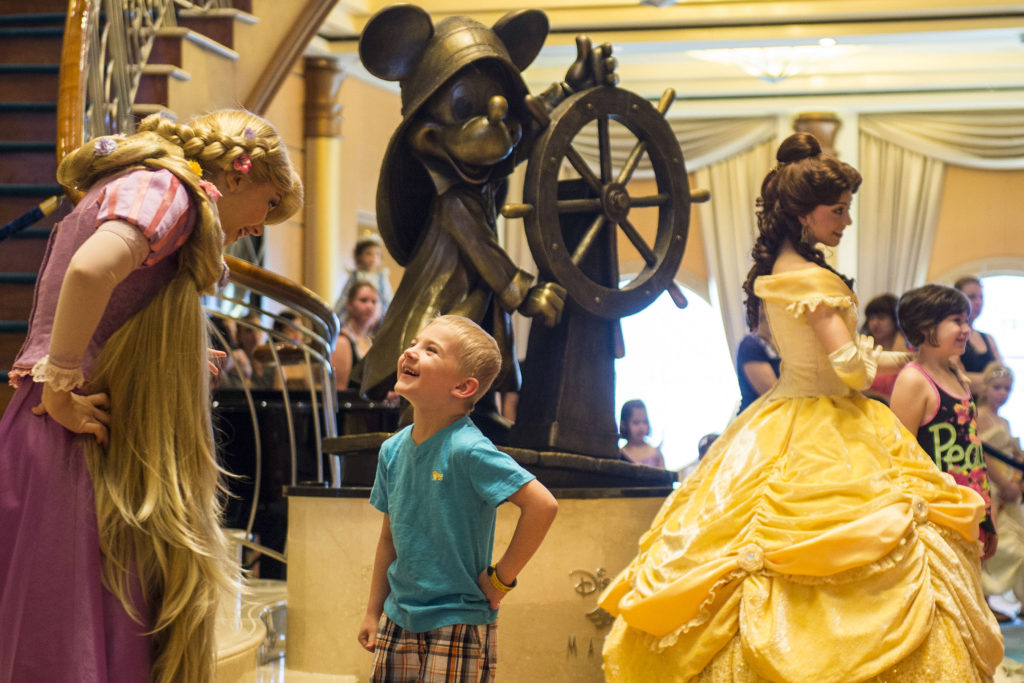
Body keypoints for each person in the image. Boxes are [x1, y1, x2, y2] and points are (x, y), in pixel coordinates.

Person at [598, 133, 1002, 682]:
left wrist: (894, 353)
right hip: (828, 421)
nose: (846, 222)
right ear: (803, 214)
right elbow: (850, 371)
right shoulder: (812, 280)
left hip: (782, 414)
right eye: (839, 211)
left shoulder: (781, 273)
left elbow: (833, 356)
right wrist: (895, 361)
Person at [0, 109, 303, 683]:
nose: (261, 226)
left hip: (74, 435)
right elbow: (90, 272)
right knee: (68, 641)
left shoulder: (150, 189)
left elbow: (111, 302)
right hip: (76, 436)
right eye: (267, 205)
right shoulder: (171, 191)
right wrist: (62, 384)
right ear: (236, 176)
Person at [357, 315, 558, 681]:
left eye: (430, 349)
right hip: (399, 616)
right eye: (415, 343)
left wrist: (501, 579)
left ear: (464, 387)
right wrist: (373, 611)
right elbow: (389, 538)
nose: (411, 351)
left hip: (459, 619)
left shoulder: (469, 449)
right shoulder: (392, 451)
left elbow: (542, 505)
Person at [890, 284, 999, 559]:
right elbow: (899, 458)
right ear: (926, 327)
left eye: (966, 321)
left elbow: (973, 451)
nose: (967, 329)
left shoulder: (956, 375)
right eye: (956, 321)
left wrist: (989, 512)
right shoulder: (913, 379)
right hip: (939, 517)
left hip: (972, 508)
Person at [975, 363, 1024, 620]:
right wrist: (1004, 484)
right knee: (998, 545)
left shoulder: (1004, 421)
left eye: (1007, 389)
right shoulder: (978, 416)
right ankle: (986, 600)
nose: (1002, 393)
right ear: (985, 388)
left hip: (1008, 485)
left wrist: (1015, 480)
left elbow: (1014, 455)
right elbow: (983, 454)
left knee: (1020, 542)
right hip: (991, 486)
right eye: (997, 387)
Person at [955, 275, 1004, 396]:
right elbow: (959, 380)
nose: (978, 302)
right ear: (957, 300)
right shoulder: (953, 336)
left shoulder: (988, 338)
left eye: (981, 297)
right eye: (972, 297)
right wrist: (994, 380)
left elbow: (1004, 376)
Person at [333, 233, 392, 327]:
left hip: (377, 320)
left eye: (377, 254)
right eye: (369, 254)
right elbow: (344, 298)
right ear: (359, 256)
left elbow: (387, 300)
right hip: (358, 318)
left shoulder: (382, 278)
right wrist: (336, 316)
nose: (373, 258)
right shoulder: (355, 276)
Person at [860, 292, 909, 404]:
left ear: (896, 320)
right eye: (871, 318)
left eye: (881, 318)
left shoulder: (909, 352)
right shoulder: (863, 348)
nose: (875, 323)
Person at [331, 281, 381, 389]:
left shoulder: (371, 341)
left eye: (374, 302)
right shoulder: (342, 341)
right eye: (363, 300)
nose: (370, 306)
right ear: (349, 304)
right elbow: (339, 391)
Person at [734, 304, 780, 413]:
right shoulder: (750, 345)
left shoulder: (782, 345)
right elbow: (773, 394)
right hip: (757, 418)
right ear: (762, 310)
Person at [618, 399, 665, 468]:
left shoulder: (655, 453)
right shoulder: (620, 454)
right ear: (624, 424)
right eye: (636, 422)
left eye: (644, 422)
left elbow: (664, 477)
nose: (641, 427)